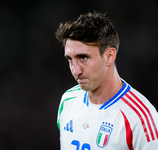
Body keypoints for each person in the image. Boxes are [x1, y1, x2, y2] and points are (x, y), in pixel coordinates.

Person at [55, 11, 158, 150]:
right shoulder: (68, 100)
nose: (75, 71)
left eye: (83, 57)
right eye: (70, 59)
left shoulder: (142, 118)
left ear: (109, 56)